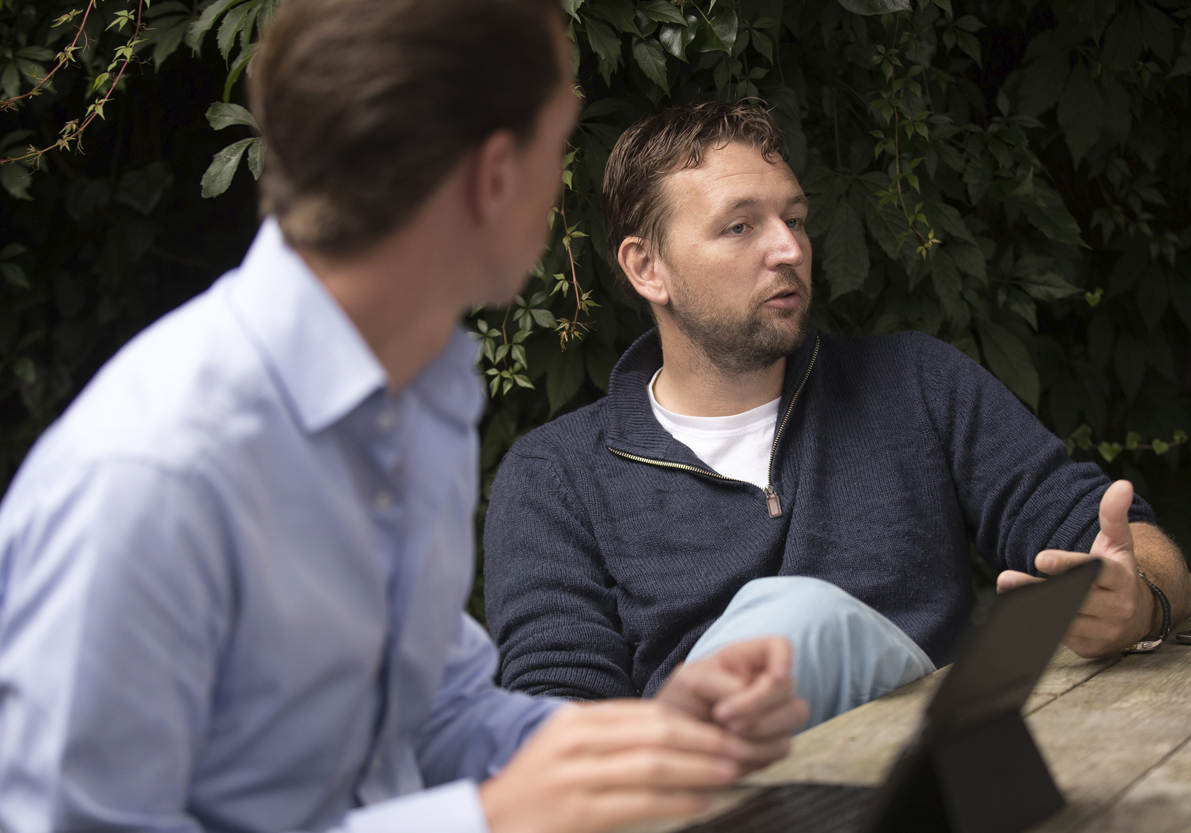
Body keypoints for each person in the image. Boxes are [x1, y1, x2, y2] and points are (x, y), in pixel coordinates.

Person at [0, 8, 810, 833]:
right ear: (493, 177)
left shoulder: (418, 407)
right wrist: (485, 821)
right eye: (556, 143)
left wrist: (641, 740)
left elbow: (434, 713)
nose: (564, 181)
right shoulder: (152, 473)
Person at [482, 99, 1191, 727]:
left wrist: (1140, 602)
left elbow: (1128, 543)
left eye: (794, 219)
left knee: (803, 622)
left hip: (925, 779)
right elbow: (559, 713)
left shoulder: (918, 383)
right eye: (739, 227)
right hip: (708, 798)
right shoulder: (555, 474)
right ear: (647, 268)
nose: (789, 249)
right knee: (791, 625)